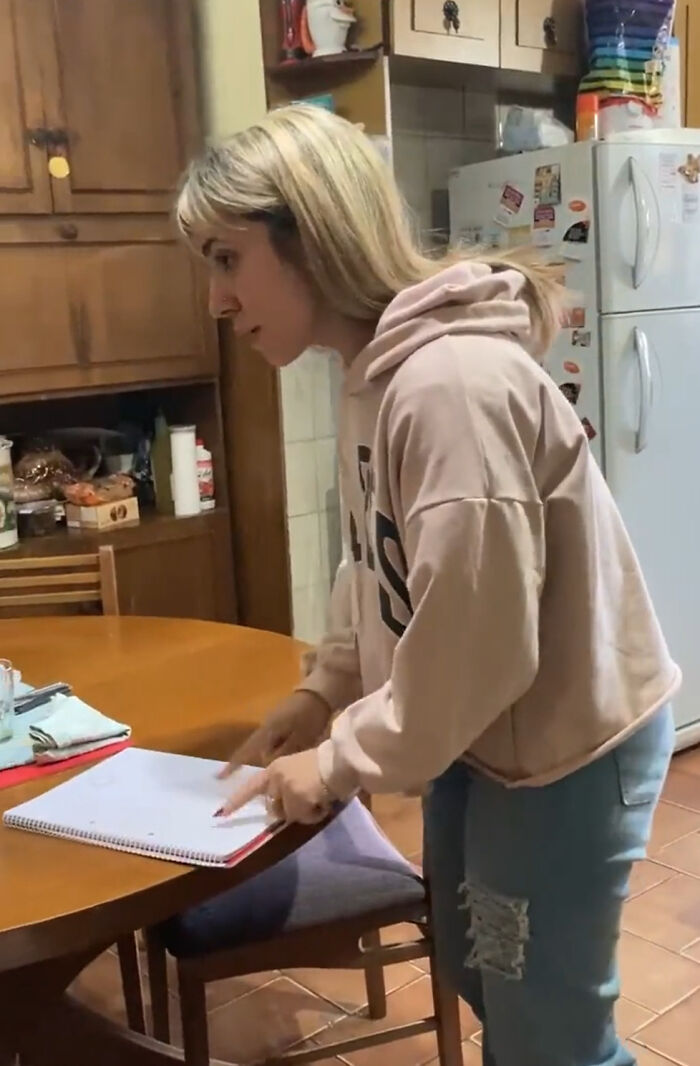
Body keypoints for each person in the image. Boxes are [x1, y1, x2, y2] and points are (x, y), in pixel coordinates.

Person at [176, 105, 680, 1066]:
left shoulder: (448, 385)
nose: (215, 298)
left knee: (550, 1035)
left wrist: (333, 764)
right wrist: (325, 690)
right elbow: (374, 556)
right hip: (481, 728)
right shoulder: (371, 372)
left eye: (226, 258)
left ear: (308, 234)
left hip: (567, 742)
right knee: (478, 970)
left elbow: (481, 641)